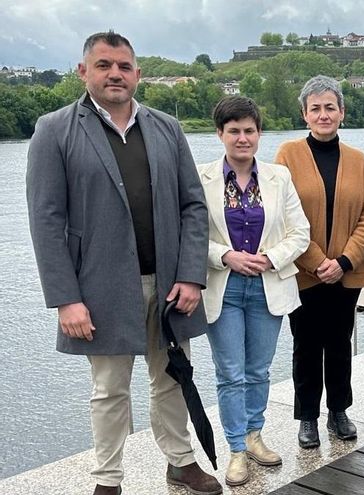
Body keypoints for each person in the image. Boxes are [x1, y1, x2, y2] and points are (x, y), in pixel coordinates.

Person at [25, 31, 221, 495]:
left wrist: (193, 276)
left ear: (137, 73)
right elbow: (46, 220)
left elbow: (194, 207)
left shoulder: (166, 128)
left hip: (171, 285)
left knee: (172, 378)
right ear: (83, 71)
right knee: (110, 390)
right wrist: (66, 298)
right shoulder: (54, 129)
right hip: (101, 288)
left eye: (124, 66)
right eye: (104, 65)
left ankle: (180, 461)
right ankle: (108, 479)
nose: (115, 73)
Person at [199, 96, 310, 486]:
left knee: (258, 370)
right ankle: (235, 450)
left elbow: (300, 232)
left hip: (268, 286)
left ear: (259, 134)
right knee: (230, 373)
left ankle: (254, 435)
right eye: (234, 131)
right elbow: (191, 235)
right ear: (220, 134)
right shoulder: (202, 178)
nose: (242, 138)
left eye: (249, 130)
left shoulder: (279, 177)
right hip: (224, 288)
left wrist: (270, 258)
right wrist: (226, 256)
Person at [274, 76, 364, 449]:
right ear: (304, 114)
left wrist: (345, 261)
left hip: (345, 275)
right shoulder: (287, 155)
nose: (323, 114)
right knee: (305, 346)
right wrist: (318, 261)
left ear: (342, 112)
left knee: (338, 343)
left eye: (330, 107)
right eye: (315, 108)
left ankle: (339, 410)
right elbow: (283, 214)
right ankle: (307, 418)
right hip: (304, 273)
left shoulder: (359, 160)